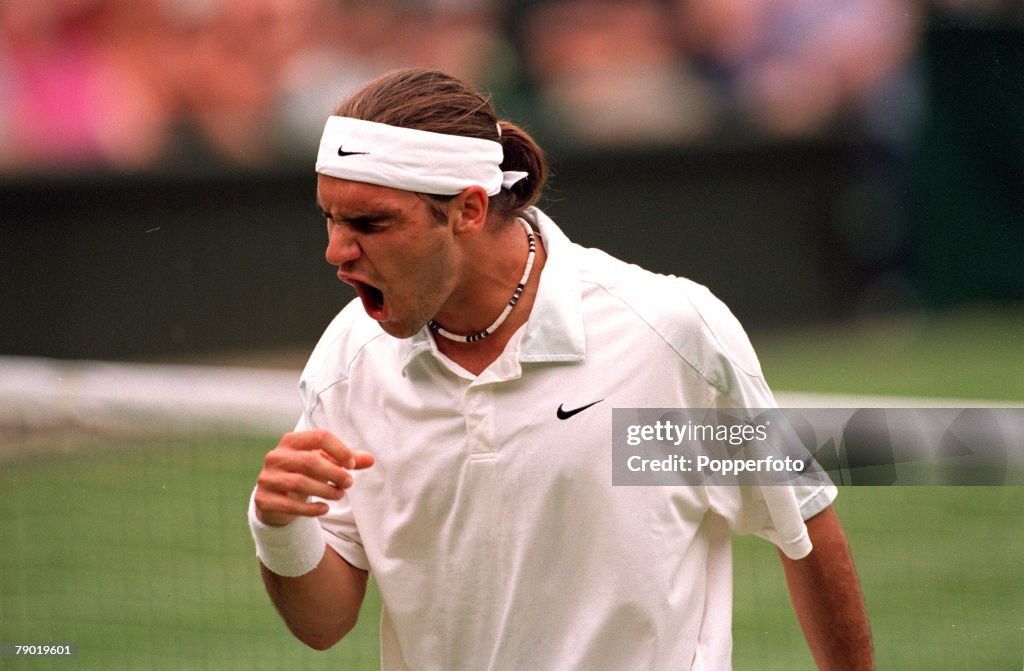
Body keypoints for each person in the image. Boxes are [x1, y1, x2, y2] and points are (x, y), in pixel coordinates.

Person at [248, 67, 873, 670]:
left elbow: (805, 524)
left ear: (466, 210)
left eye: (370, 223)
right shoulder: (346, 363)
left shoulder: (665, 334)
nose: (335, 251)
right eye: (330, 218)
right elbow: (324, 625)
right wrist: (277, 524)